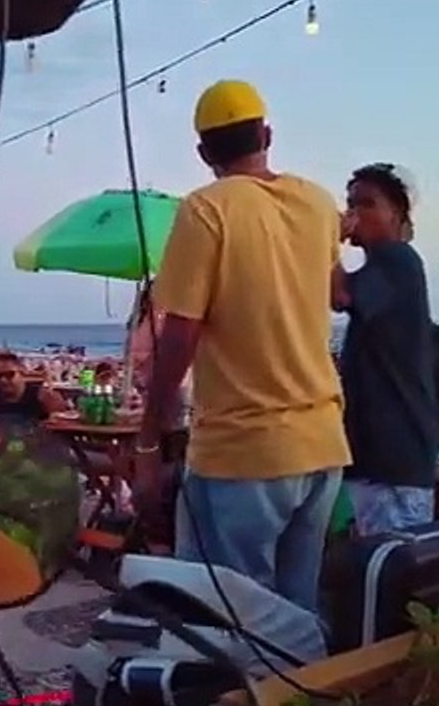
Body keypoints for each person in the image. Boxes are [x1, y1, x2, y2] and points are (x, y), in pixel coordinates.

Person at [134, 80, 350, 612]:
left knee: (230, 612)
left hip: (245, 450)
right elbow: (339, 291)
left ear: (204, 153)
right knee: (297, 609)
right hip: (321, 443)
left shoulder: (206, 209)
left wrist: (147, 439)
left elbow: (181, 332)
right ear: (268, 134)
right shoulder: (319, 204)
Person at [331, 163, 439, 536]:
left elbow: (339, 294)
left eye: (366, 204)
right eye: (350, 204)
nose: (353, 214)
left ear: (397, 214)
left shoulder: (397, 259)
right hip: (387, 458)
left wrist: (323, 239)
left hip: (392, 461)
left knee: (389, 570)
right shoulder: (384, 267)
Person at [0, 352, 69, 429]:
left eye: (9, 375)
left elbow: (64, 421)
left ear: (22, 374)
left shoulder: (42, 396)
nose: (3, 380)